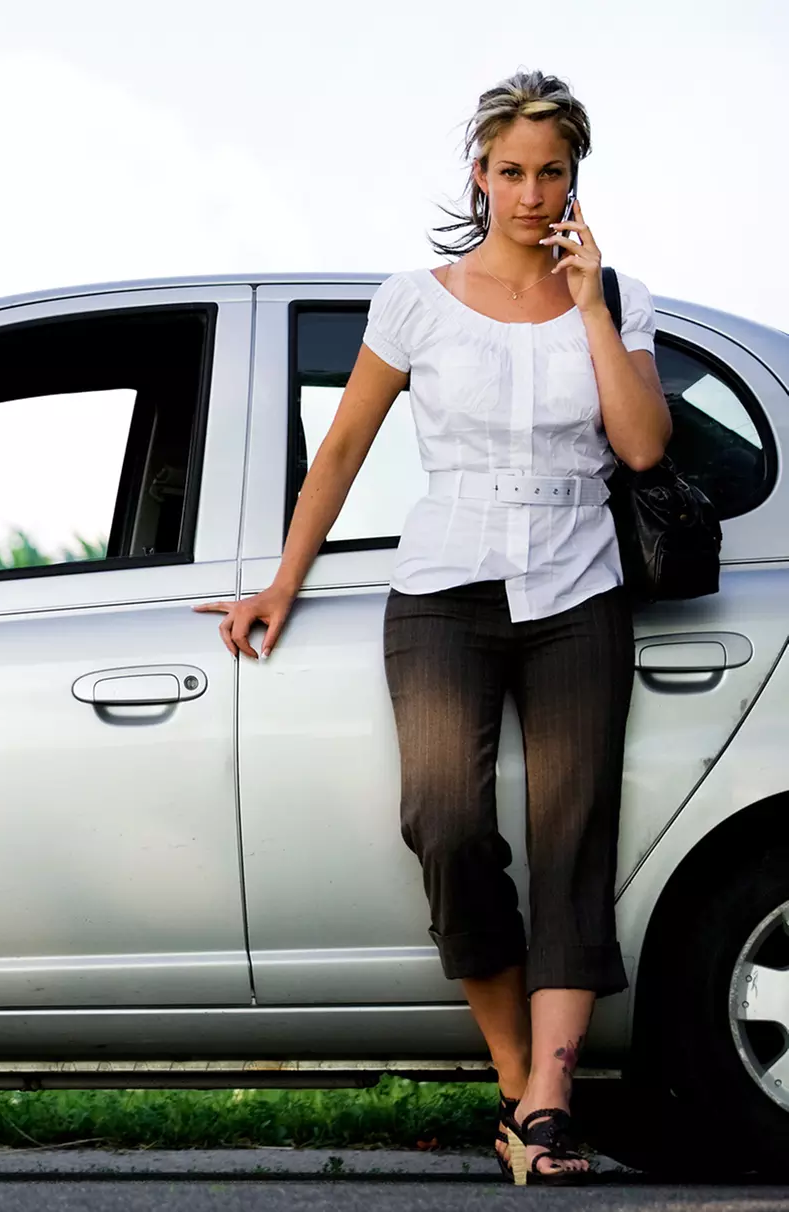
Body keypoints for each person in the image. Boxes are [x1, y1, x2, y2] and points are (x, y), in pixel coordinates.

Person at [195, 69, 669, 1185]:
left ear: (575, 179)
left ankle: (548, 1107)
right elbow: (347, 447)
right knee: (445, 824)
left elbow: (642, 447)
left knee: (573, 842)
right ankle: (519, 1086)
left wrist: (592, 307)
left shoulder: (622, 297)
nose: (530, 192)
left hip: (577, 587)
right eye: (511, 170)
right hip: (446, 584)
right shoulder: (415, 297)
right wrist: (280, 583)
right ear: (478, 171)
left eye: (551, 171)